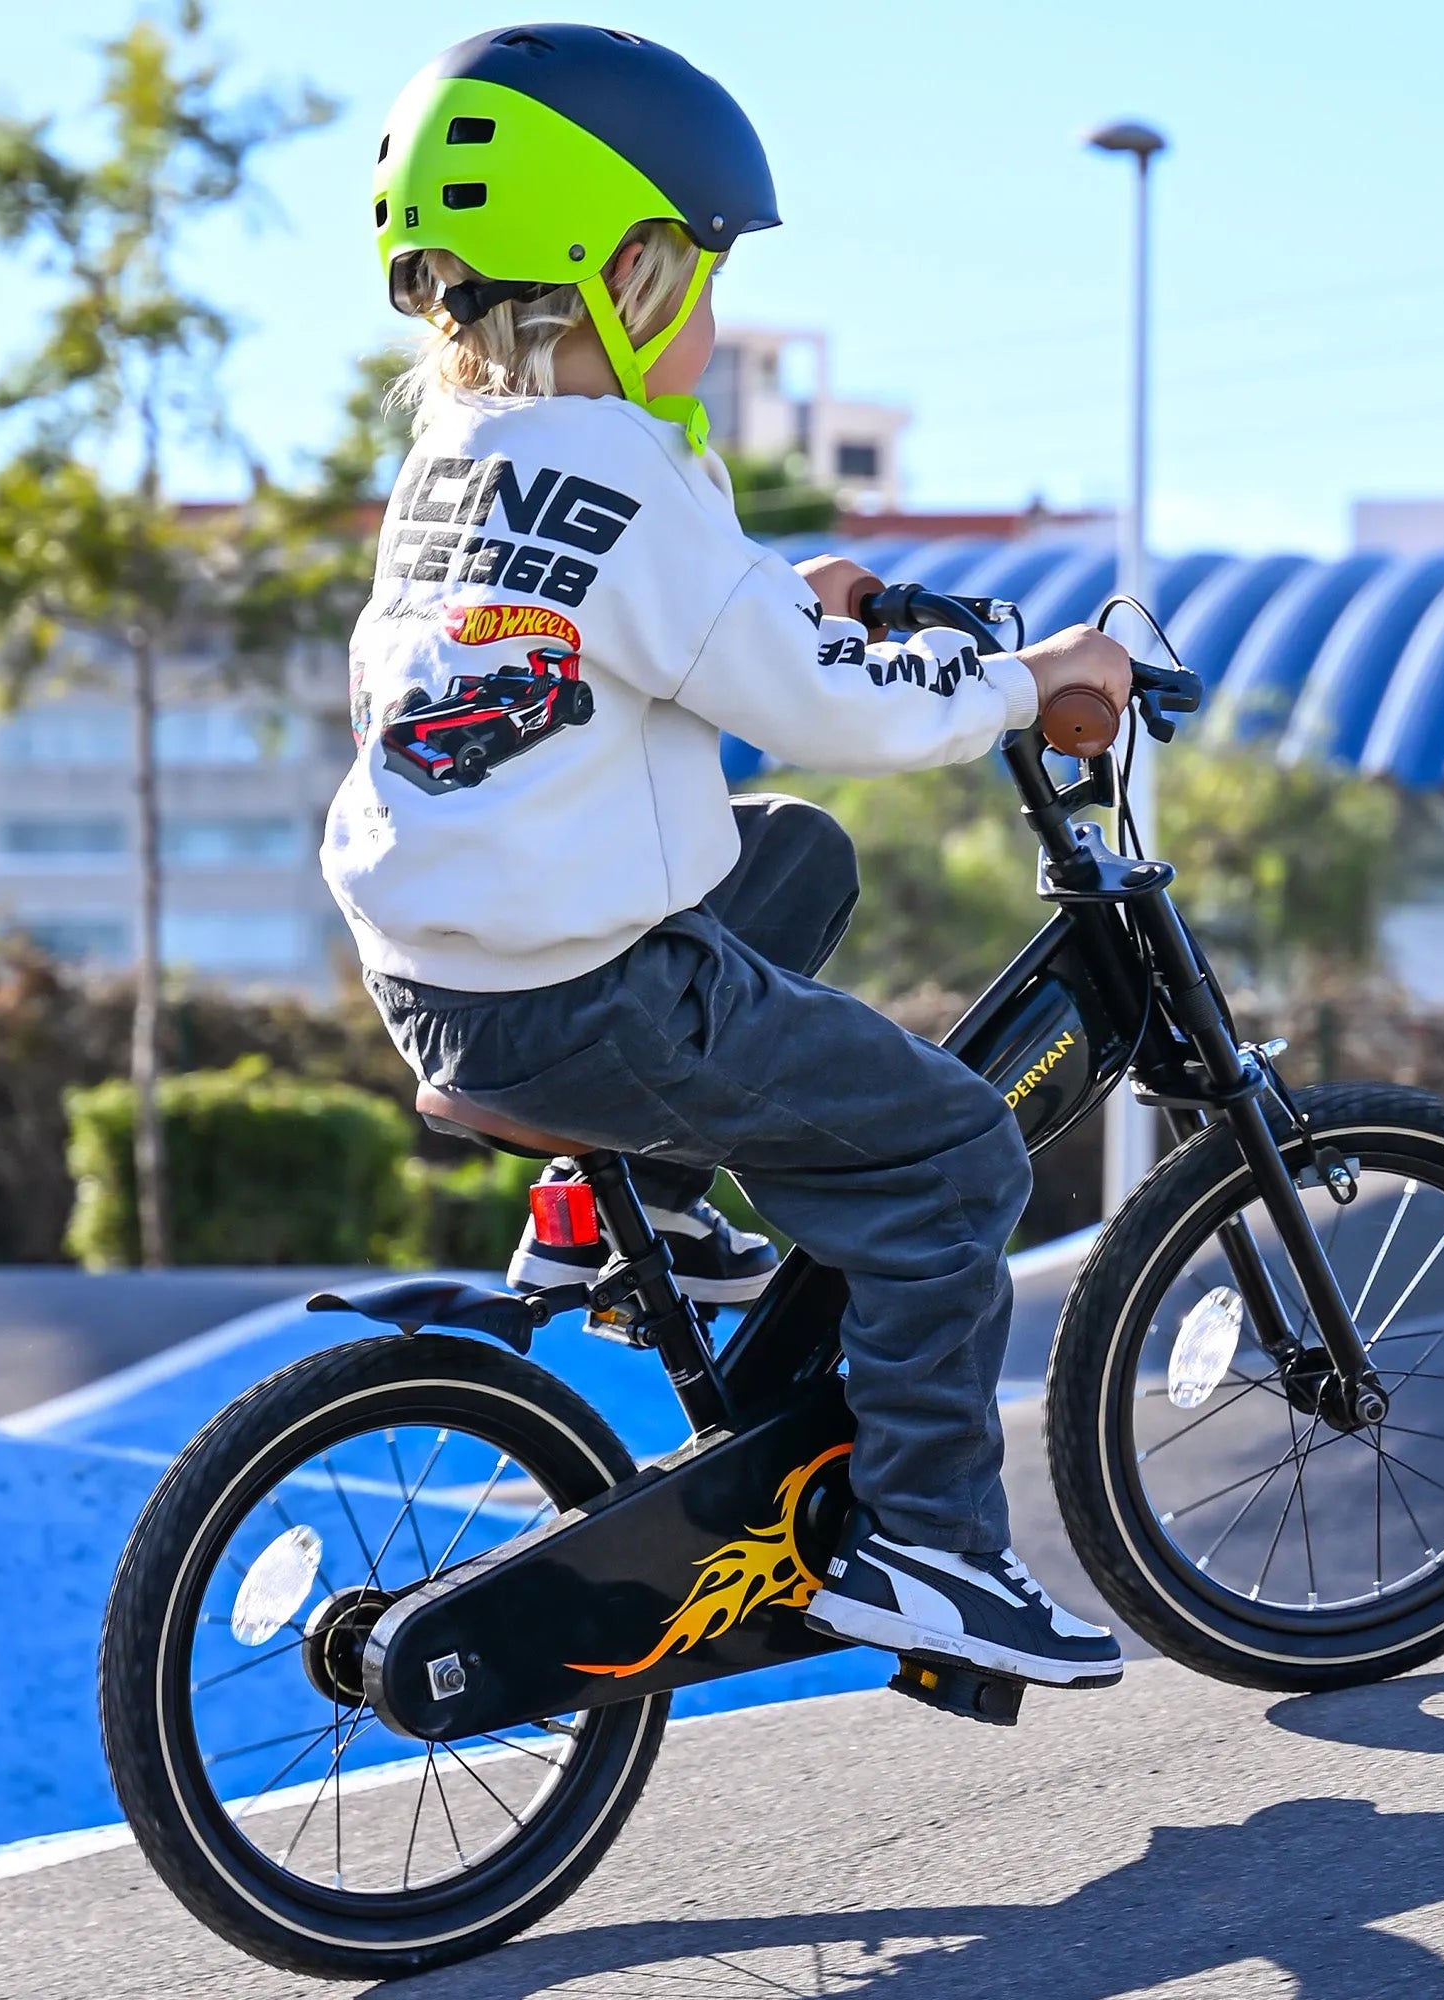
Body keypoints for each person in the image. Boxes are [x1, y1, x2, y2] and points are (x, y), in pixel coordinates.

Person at [327, 24, 1130, 1688]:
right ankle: (930, 1549)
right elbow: (834, 708)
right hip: (592, 992)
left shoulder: (456, 466)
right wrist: (1022, 681)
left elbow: (635, 618)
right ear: (616, 273)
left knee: (794, 862)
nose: (713, 303)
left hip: (447, 973)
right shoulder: (631, 464)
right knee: (956, 1158)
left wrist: (785, 600)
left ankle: (607, 1209)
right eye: (700, 263)